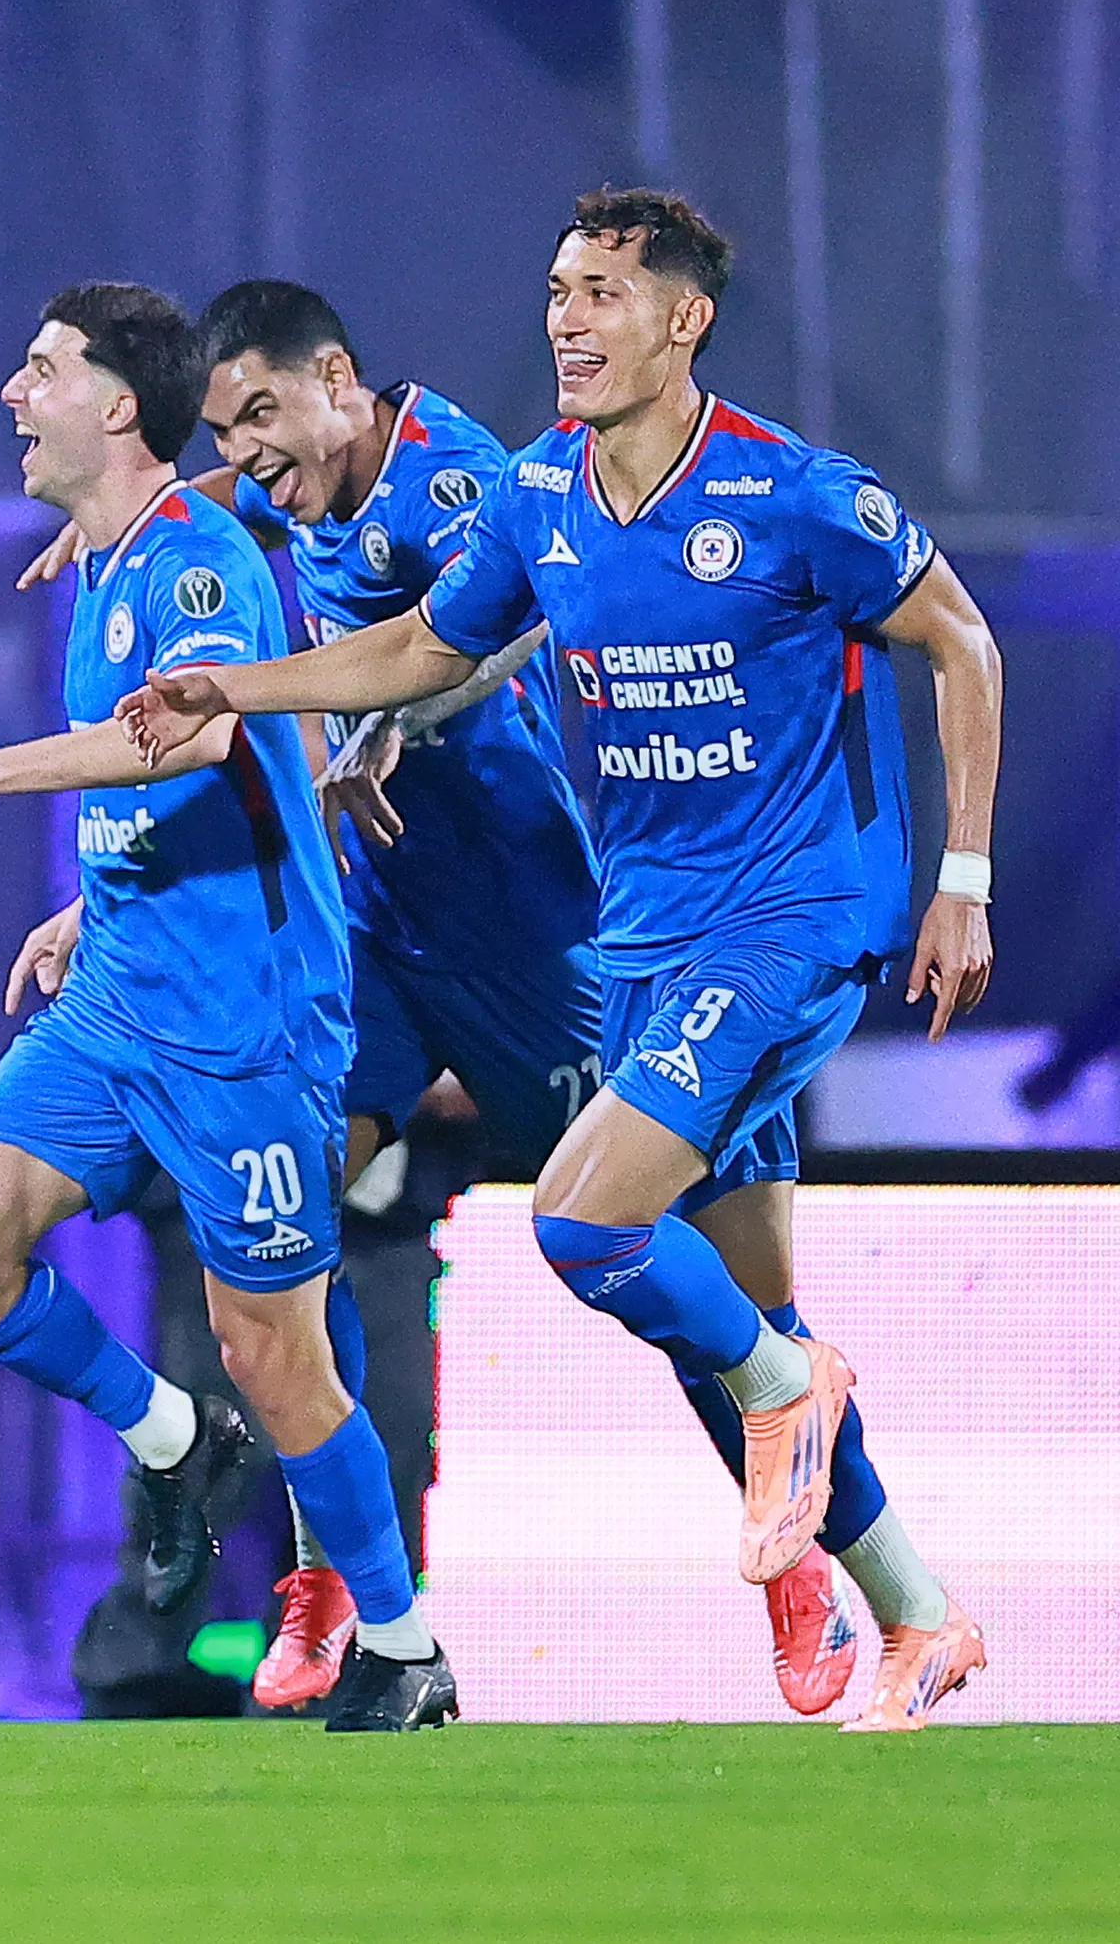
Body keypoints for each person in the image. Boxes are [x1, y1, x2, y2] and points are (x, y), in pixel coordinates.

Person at [124, 192, 1007, 1733]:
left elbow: (964, 639)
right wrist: (240, 688)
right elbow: (420, 644)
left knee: (597, 1230)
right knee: (694, 1302)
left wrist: (966, 879)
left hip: (763, 924)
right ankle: (913, 1608)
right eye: (554, 289)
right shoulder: (544, 494)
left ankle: (783, 1422)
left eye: (603, 291)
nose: (567, 319)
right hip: (622, 935)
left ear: (683, 319)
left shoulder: (789, 492)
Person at [17, 280, 641, 1710]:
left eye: (261, 415)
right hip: (364, 923)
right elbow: (224, 513)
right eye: (222, 426)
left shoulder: (459, 474)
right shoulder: (276, 485)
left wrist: (379, 717)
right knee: (296, 1234)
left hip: (517, 922)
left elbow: (517, 622)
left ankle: (802, 1493)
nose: (245, 451)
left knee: (649, 1233)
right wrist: (115, 514)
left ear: (339, 379)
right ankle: (323, 1573)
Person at [0, 283, 452, 1732]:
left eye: (40, 369)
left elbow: (189, 740)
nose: (11, 391)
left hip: (243, 1029)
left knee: (282, 1349)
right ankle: (175, 1438)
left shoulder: (194, 563)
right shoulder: (125, 546)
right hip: (123, 999)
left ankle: (402, 1639)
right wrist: (89, 901)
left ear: (116, 404)